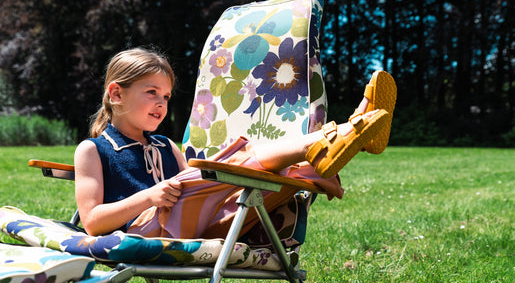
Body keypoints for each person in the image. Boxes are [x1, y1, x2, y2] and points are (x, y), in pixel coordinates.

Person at [74, 48, 396, 239]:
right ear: (116, 94)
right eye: (151, 93)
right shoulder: (94, 150)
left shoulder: (167, 146)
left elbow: (202, 190)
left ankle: (342, 142)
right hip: (144, 231)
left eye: (167, 96)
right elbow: (91, 222)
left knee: (267, 179)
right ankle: (338, 135)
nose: (162, 103)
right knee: (242, 162)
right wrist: (149, 197)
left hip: (195, 225)